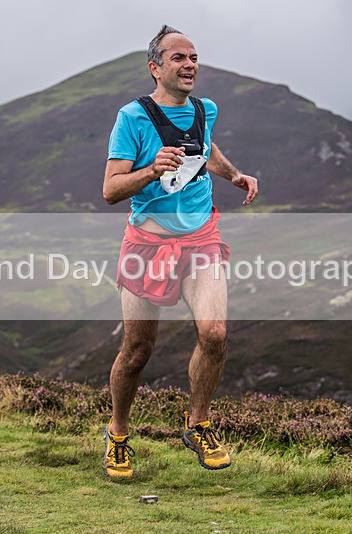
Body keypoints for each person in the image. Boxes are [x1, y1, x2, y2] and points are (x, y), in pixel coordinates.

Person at [101, 25, 258, 478]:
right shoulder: (132, 117)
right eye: (178, 58)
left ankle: (198, 424)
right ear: (155, 67)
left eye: (194, 57)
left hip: (201, 238)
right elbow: (111, 190)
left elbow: (205, 150)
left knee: (214, 334)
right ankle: (118, 433)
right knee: (136, 350)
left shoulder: (205, 110)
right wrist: (152, 170)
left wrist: (235, 175)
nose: (190, 65)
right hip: (148, 243)